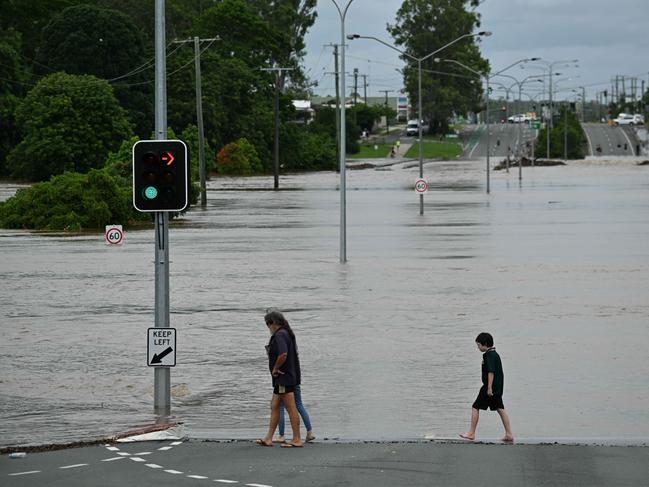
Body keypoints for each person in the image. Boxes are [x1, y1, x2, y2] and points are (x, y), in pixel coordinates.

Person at [256, 309, 303, 448]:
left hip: (283, 377)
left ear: (274, 322)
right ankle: (269, 438)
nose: (268, 327)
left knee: (290, 407)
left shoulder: (280, 335)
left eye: (268, 324)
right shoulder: (286, 333)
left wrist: (276, 368)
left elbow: (283, 354)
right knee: (275, 406)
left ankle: (297, 439)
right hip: (283, 377)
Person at [460, 332, 514, 443]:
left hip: (490, 387)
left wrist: (489, 388)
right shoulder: (495, 354)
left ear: (485, 344)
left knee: (475, 406)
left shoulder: (490, 355)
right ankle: (509, 434)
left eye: (478, 345)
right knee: (500, 408)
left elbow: (491, 372)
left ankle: (471, 433)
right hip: (497, 387)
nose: (478, 348)